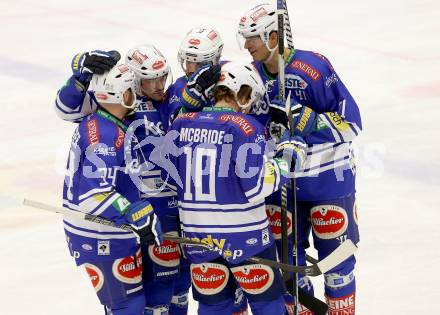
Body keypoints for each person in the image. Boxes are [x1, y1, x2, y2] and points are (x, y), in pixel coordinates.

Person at [237, 3, 362, 314]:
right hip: (281, 181)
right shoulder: (250, 76)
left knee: (337, 261)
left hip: (327, 181)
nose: (248, 45)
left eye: (253, 37)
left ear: (274, 36)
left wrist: (313, 122)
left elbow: (353, 124)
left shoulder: (314, 67)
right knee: (287, 267)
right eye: (245, 38)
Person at [160, 62, 307, 315]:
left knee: (213, 307)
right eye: (250, 97)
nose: (250, 105)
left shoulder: (181, 123)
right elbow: (257, 185)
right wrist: (288, 157)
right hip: (245, 237)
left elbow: (169, 176)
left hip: (197, 236)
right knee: (267, 305)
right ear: (241, 91)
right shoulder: (246, 126)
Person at [55, 46, 185, 315]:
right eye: (147, 81)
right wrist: (130, 210)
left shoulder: (114, 120)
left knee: (143, 299)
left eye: (163, 77)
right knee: (131, 304)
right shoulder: (104, 130)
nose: (158, 86)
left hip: (125, 225)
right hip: (105, 229)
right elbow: (91, 193)